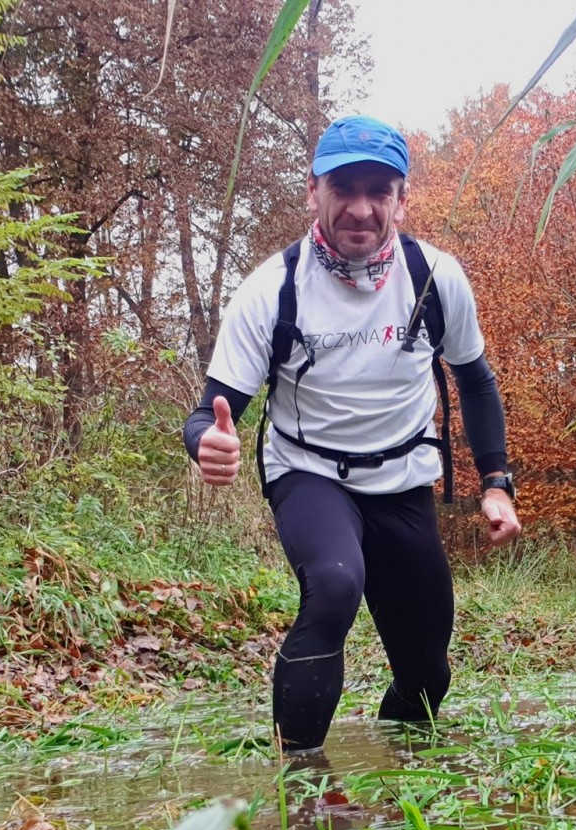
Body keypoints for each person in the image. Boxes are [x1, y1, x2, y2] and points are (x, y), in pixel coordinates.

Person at [183, 115, 521, 755]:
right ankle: (301, 787)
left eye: (379, 190)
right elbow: (210, 411)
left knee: (427, 673)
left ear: (401, 198)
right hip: (309, 474)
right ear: (314, 191)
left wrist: (496, 482)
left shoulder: (435, 277)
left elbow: (475, 381)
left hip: (402, 483)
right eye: (344, 188)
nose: (361, 208)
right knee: (336, 582)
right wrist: (206, 441)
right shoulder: (271, 290)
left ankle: (408, 783)